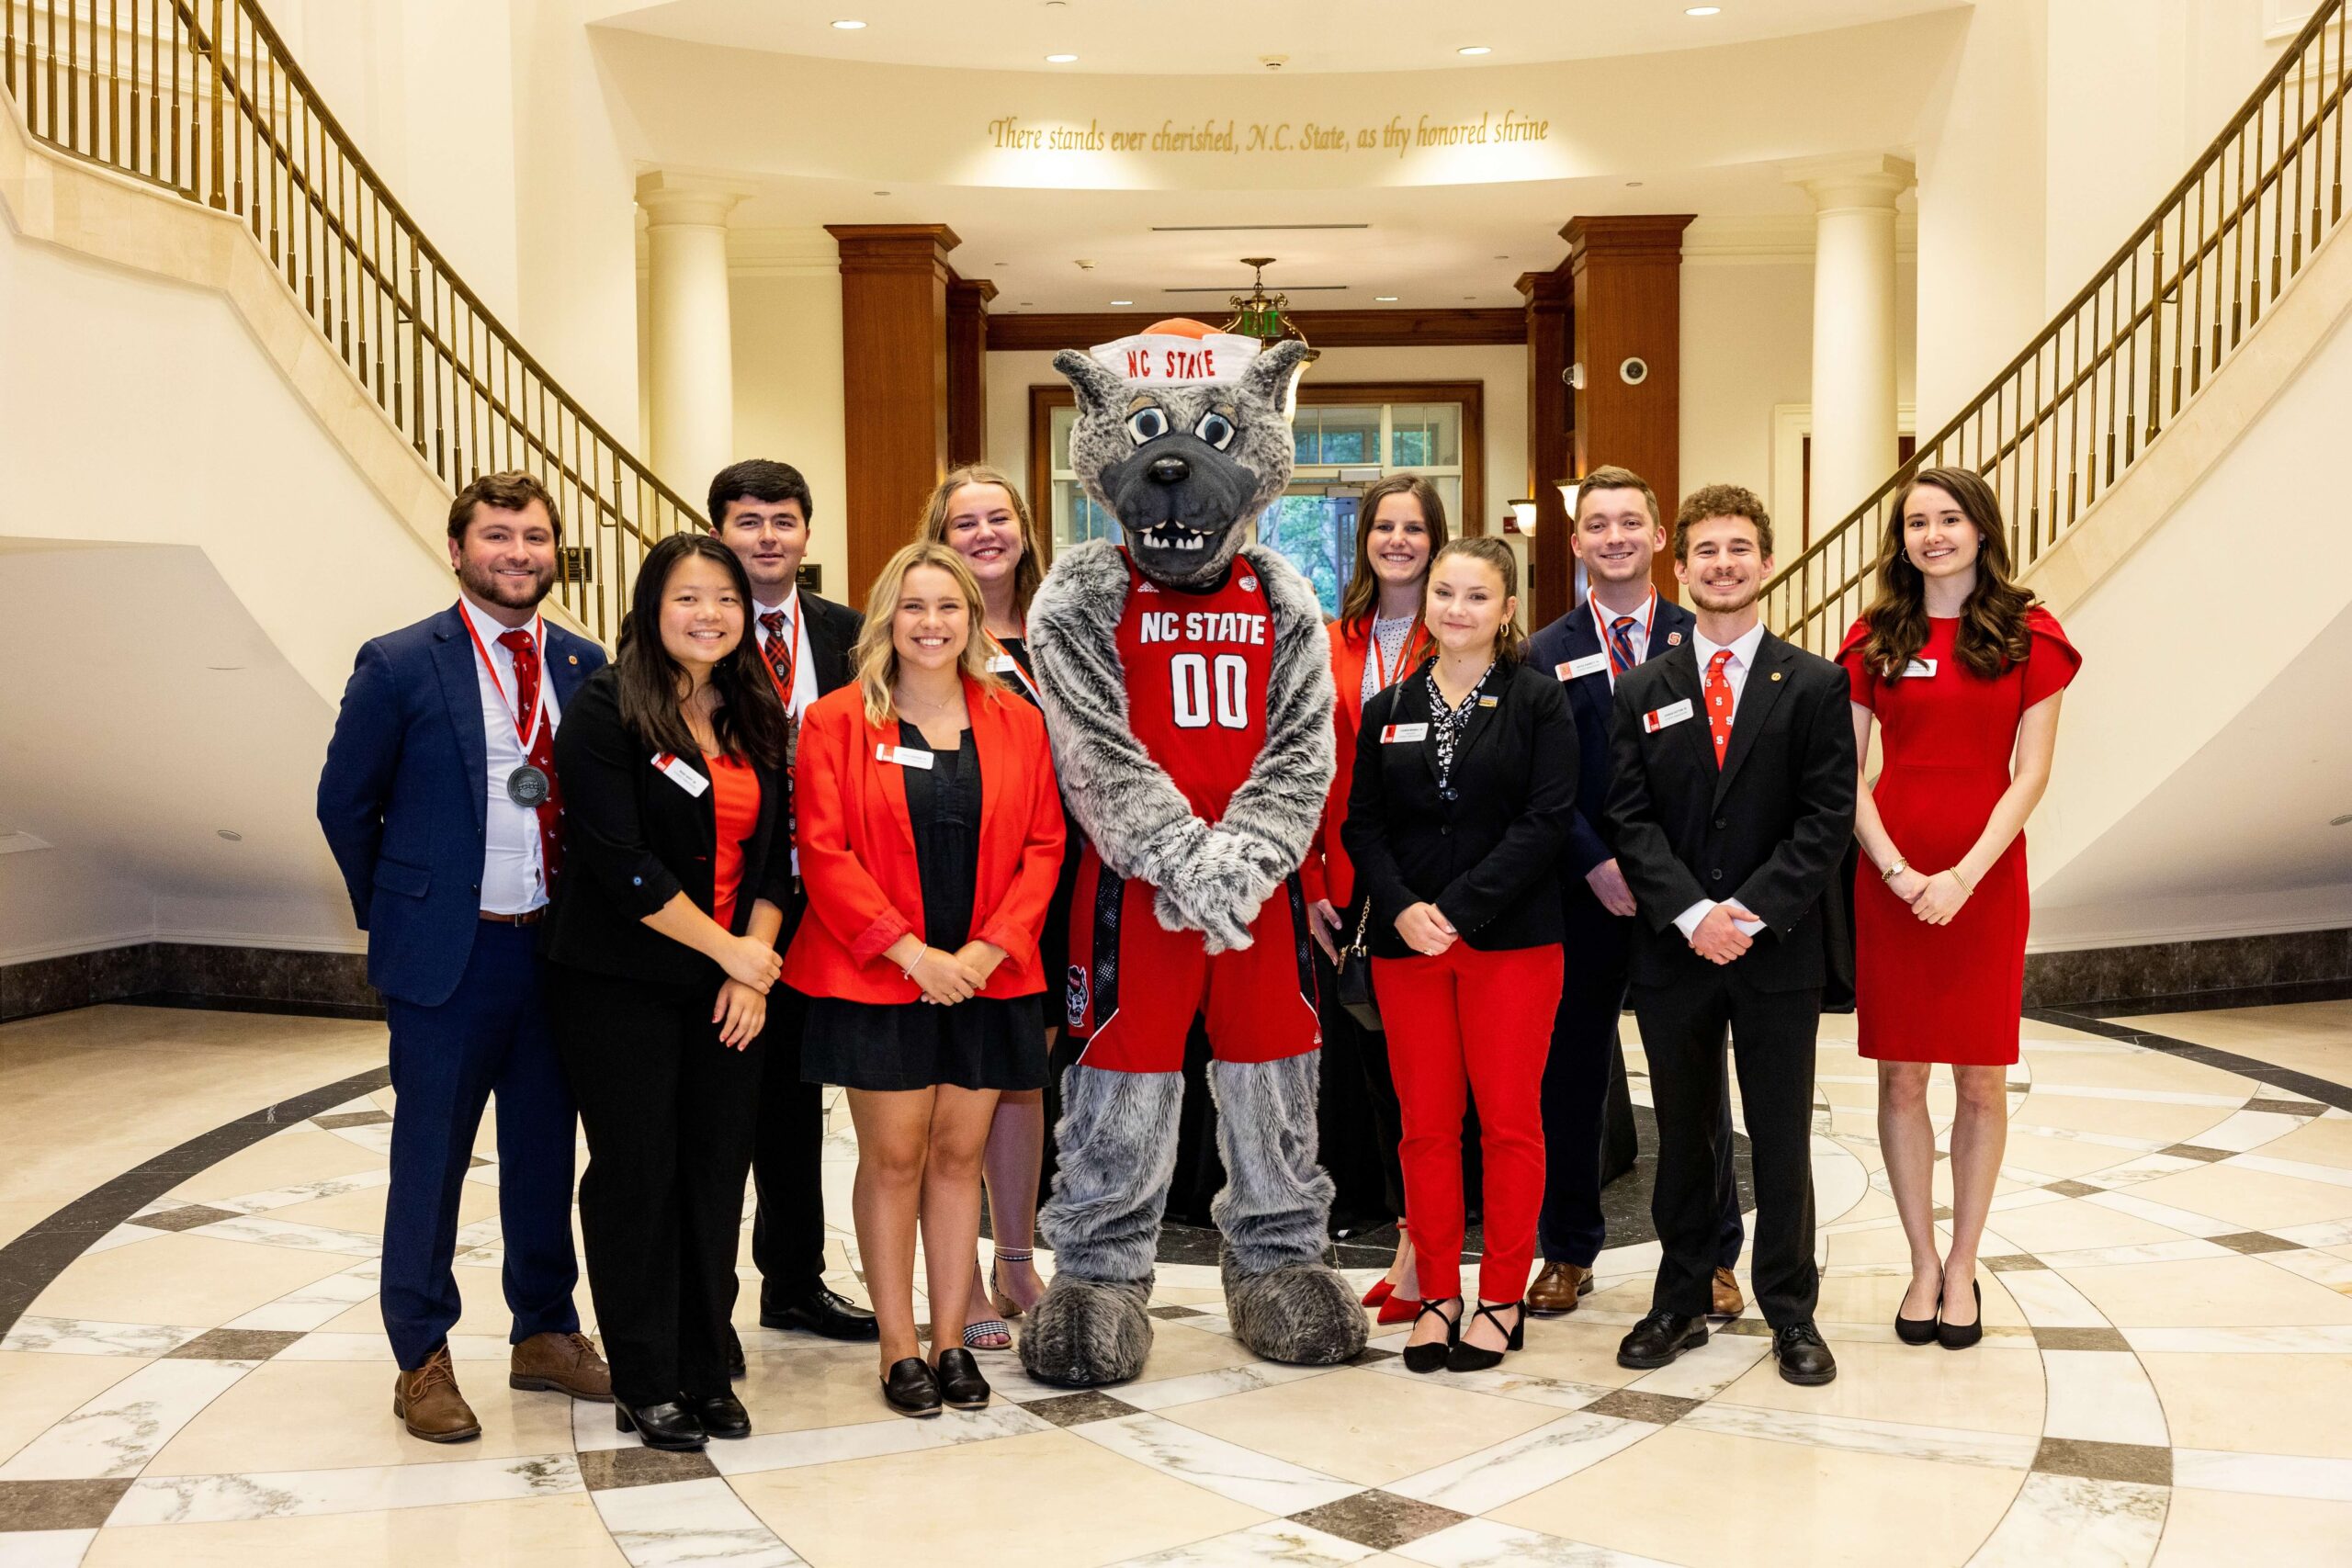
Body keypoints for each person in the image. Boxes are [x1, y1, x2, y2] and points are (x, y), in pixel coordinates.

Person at [318, 471, 613, 1442]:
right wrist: (405, 910)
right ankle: (421, 1356)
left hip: (555, 955)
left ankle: (544, 1330)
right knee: (431, 1160)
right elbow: (344, 805)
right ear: (458, 551)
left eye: (534, 537)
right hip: (451, 960)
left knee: (542, 1151)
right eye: (497, 536)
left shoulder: (582, 663)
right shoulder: (401, 662)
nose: (518, 553)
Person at [786, 541, 1066, 1417]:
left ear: (973, 621)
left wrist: (987, 952)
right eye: (914, 607)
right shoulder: (835, 721)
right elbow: (823, 854)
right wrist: (910, 953)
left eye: (949, 607)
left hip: (989, 973)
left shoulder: (1018, 719)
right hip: (881, 973)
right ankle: (897, 1346)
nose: (932, 623)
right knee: (897, 1155)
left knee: (958, 1157)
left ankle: (951, 1341)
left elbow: (1045, 845)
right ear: (887, 619)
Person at [541, 533, 796, 1450]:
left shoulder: (754, 710)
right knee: (637, 1176)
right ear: (653, 607)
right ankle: (645, 1373)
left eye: (725, 599)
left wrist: (754, 967)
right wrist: (732, 953)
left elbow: (778, 860)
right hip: (622, 984)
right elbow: (621, 866)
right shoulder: (606, 707)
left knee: (715, 1174)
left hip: (733, 985)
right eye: (689, 598)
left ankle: (703, 1360)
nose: (710, 615)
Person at [1605, 484, 1856, 1387]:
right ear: (1681, 568)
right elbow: (1630, 822)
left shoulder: (1816, 684)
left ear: (1766, 561)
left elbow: (1824, 821)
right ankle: (1679, 1300)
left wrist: (1742, 917)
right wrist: (1690, 916)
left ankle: (1791, 1311)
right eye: (1705, 550)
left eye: (1738, 548)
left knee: (1780, 1139)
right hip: (1675, 955)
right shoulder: (1642, 689)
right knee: (1684, 1135)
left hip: (1775, 953)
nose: (1722, 564)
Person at [1838, 467, 2076, 1351]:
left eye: (1948, 518)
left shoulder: (2029, 633)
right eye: (1915, 522)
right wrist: (1899, 872)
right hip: (1891, 874)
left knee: (1981, 1075)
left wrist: (1965, 874)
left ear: (1981, 527)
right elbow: (1847, 773)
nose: (1932, 534)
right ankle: (1921, 1261)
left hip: (1984, 880)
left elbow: (2032, 773)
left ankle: (1966, 1263)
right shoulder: (1875, 635)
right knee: (1900, 1074)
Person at [1343, 537, 1576, 1373]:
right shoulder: (1389, 705)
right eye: (1445, 592)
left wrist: (1459, 909)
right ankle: (1438, 1292)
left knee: (1510, 1125)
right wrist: (1403, 909)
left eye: (1478, 596)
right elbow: (1362, 825)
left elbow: (1546, 821)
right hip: (1411, 951)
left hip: (1510, 945)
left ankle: (1503, 1296)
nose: (1456, 609)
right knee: (1426, 1129)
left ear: (1506, 611)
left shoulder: (1538, 702)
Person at [1523, 467, 1747, 1321]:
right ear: (1577, 542)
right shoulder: (1543, 650)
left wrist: (1669, 883)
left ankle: (1714, 1256)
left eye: (1630, 522)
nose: (1613, 536)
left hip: (1682, 902)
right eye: (1597, 524)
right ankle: (1566, 1252)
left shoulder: (1706, 636)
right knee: (1569, 1080)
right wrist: (1594, 862)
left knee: (1695, 1083)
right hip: (1582, 895)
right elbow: (1545, 784)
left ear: (1659, 539)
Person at [707, 458, 879, 1350]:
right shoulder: (696, 633)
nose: (766, 537)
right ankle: (707, 1292)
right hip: (729, 909)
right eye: (748, 521)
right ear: (719, 533)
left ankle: (794, 1281)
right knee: (728, 1101)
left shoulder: (851, 632)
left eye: (782, 520)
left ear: (807, 533)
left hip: (835, 904)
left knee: (797, 1102)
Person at [917, 465, 1070, 1352]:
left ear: (1023, 526)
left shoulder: (1062, 626)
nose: (983, 534)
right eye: (963, 520)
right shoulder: (933, 630)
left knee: (1022, 1070)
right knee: (957, 1082)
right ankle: (962, 1273)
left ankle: (1018, 1259)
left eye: (997, 518)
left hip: (1052, 875)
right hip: (954, 887)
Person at [1304, 475, 1442, 1323]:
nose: (1398, 540)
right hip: (1352, 886)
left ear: (1437, 538)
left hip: (1435, 884)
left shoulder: (1461, 621)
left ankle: (1423, 1253)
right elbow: (1311, 768)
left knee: (1433, 1081)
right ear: (1365, 539)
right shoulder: (1330, 640)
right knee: (1389, 1083)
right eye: (1384, 527)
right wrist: (1315, 880)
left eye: (1414, 527)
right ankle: (1411, 1242)